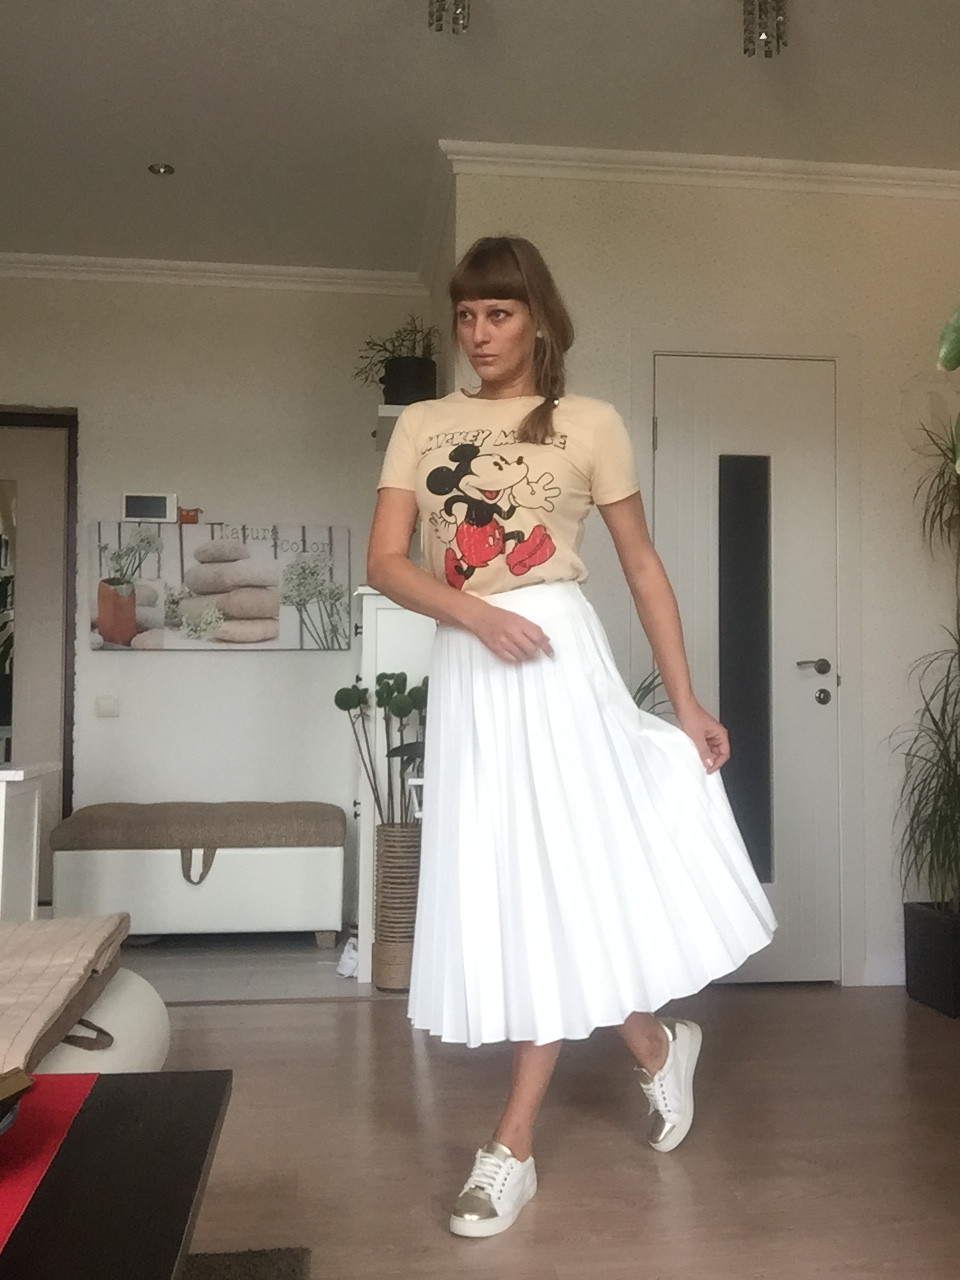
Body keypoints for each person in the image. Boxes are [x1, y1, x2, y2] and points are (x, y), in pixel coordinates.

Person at [367, 235, 776, 1238]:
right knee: (520, 879)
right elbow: (386, 562)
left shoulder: (590, 422)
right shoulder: (423, 422)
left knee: (555, 873)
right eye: (467, 314)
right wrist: (475, 616)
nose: (478, 332)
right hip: (475, 662)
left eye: (499, 313)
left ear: (538, 319)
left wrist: (687, 702)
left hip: (557, 657)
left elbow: (641, 566)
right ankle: (654, 1044)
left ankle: (510, 1146)